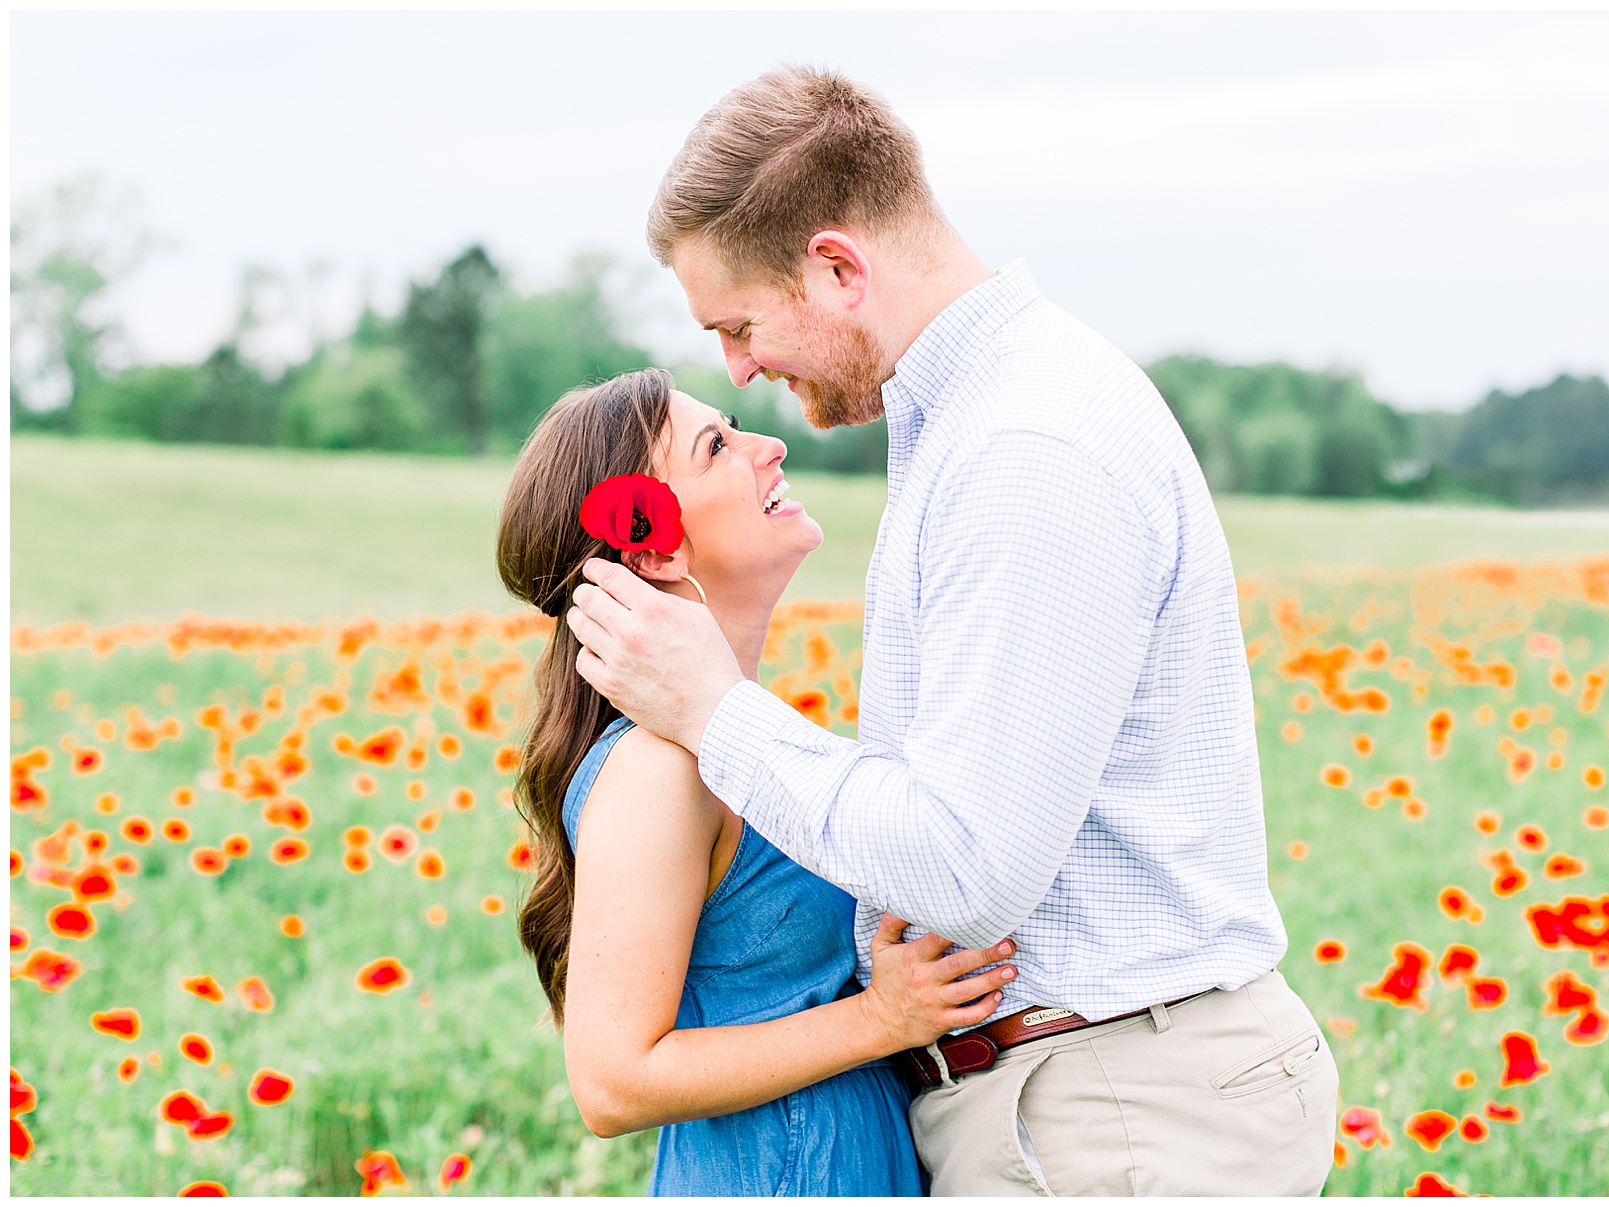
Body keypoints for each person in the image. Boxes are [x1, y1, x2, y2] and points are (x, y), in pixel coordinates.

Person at [566, 67, 1339, 1195]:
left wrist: (715, 709)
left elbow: (969, 868)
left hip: (1108, 1109)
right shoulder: (980, 419)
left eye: (738, 325)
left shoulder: (1025, 448)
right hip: (1085, 1095)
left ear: (837, 267)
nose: (738, 370)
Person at [496, 368, 1018, 1196]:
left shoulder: (742, 740)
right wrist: (879, 1019)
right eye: (719, 446)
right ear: (654, 544)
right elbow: (612, 1080)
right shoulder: (659, 770)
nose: (769, 447)